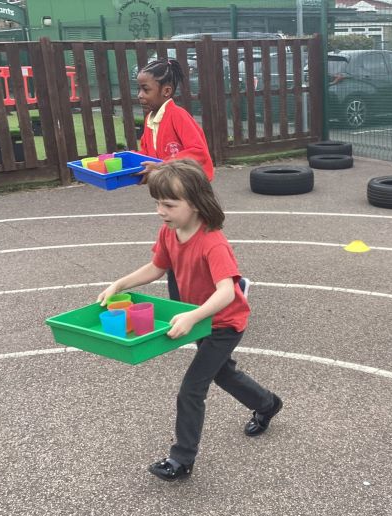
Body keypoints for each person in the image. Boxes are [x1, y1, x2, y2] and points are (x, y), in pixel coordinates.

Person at [97, 160, 282, 482]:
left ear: (195, 203)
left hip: (224, 323)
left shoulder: (213, 242)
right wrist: (119, 284)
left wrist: (194, 315)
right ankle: (267, 404)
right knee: (223, 374)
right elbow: (157, 267)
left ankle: (181, 459)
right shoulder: (169, 232)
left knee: (191, 390)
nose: (160, 211)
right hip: (199, 319)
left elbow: (227, 292)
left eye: (169, 205)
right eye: (157, 203)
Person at [136, 57, 214, 301]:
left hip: (191, 194)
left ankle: (226, 286)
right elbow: (147, 154)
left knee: (197, 246)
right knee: (176, 245)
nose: (140, 95)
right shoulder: (150, 120)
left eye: (145, 89)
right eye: (139, 89)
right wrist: (132, 169)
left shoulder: (178, 116)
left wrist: (161, 165)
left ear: (166, 91)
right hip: (171, 194)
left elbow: (198, 152)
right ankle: (183, 299)